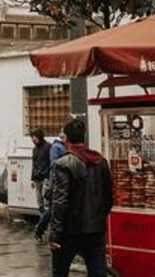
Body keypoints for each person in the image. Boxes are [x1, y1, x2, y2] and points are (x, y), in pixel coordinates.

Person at [49, 119, 113, 277]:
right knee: (97, 272)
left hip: (70, 230)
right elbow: (108, 198)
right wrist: (98, 217)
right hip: (95, 230)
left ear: (67, 140)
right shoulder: (101, 161)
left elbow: (60, 201)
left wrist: (55, 233)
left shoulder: (63, 163)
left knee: (60, 272)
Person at [35, 130, 66, 242]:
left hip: (60, 182)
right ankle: (40, 229)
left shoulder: (63, 146)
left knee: (54, 209)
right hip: (56, 183)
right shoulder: (56, 147)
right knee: (51, 209)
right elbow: (54, 164)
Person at [30, 128, 51, 213]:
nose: (33, 139)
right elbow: (34, 163)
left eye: (35, 137)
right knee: (40, 204)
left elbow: (51, 162)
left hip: (46, 178)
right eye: (32, 138)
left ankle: (47, 223)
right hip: (37, 178)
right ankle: (42, 222)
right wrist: (32, 178)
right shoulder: (34, 149)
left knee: (46, 202)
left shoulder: (48, 147)